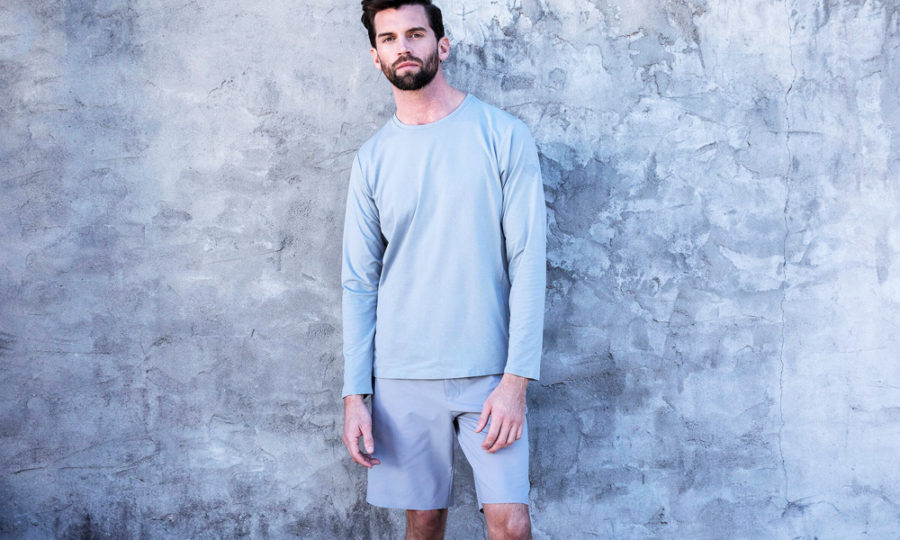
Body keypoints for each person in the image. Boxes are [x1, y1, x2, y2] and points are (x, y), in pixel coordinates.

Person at [340, 1, 546, 538]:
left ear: (442, 45)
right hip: (402, 377)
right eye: (388, 38)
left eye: (415, 33)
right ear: (376, 56)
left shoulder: (503, 135)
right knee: (424, 524)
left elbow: (528, 263)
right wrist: (355, 396)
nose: (403, 47)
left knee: (511, 525)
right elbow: (359, 284)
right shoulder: (372, 159)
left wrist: (516, 382)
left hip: (489, 374)